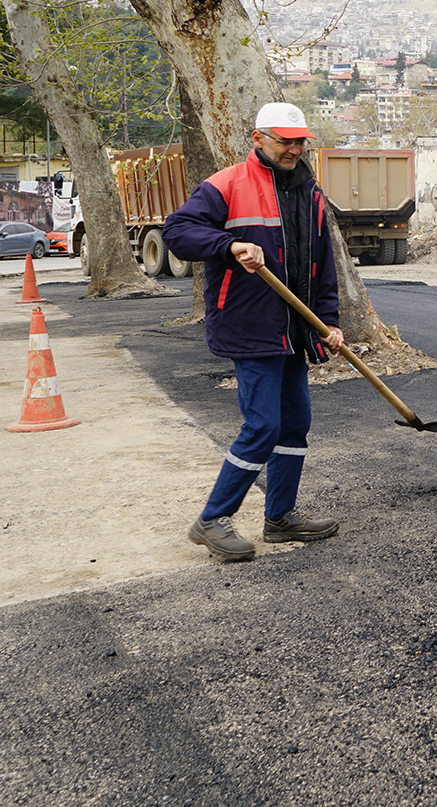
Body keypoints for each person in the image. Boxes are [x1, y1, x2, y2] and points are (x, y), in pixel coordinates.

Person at [164, 101, 344, 560]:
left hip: (294, 330)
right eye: (285, 140)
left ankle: (280, 517)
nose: (294, 148)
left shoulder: (310, 193)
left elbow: (322, 267)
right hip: (251, 324)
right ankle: (212, 519)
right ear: (257, 138)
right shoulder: (226, 184)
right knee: (263, 424)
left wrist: (329, 323)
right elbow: (178, 232)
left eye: (300, 140)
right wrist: (229, 244)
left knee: (295, 423)